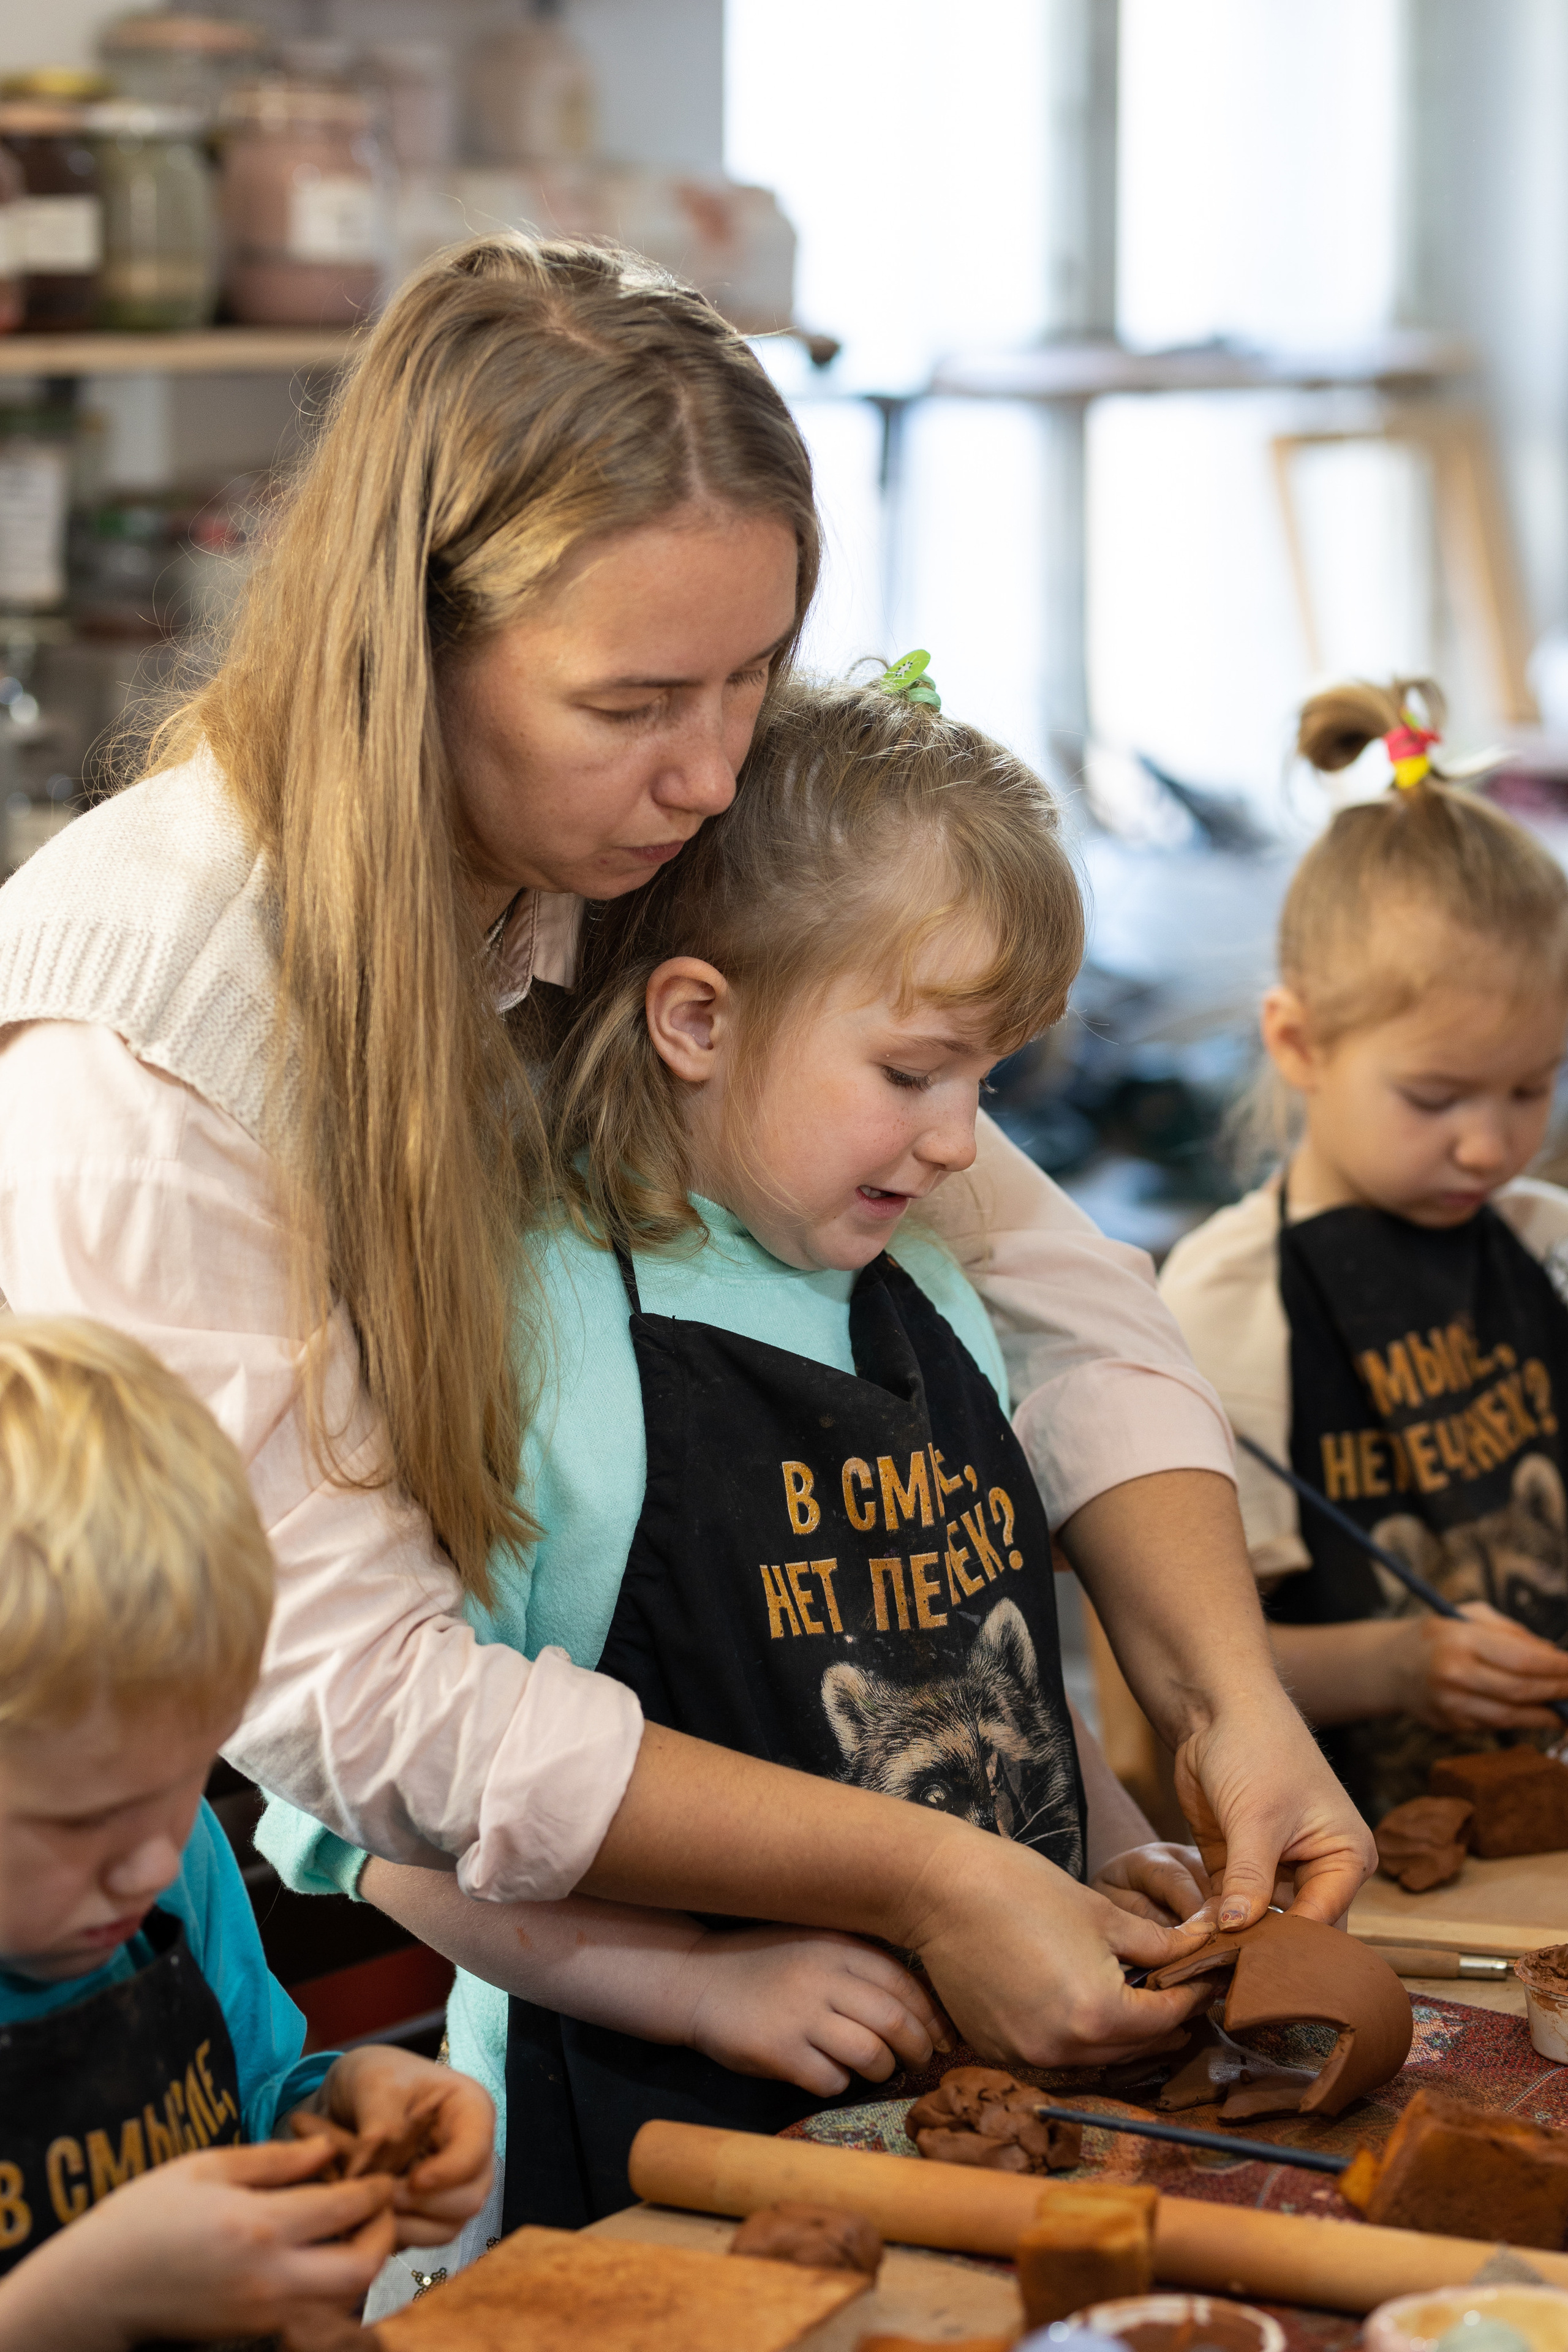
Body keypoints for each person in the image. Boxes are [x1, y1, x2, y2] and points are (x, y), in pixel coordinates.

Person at [0, 235, 1371, 2073]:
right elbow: (359, 1704)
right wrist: (924, 1879)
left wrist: (1227, 1704)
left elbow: (1056, 1299)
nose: (716, 774)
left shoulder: (621, 860)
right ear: (407, 647)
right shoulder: (147, 1028)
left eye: (752, 679)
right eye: (638, 705)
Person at [262, 671, 1226, 2255]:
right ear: (696, 1019)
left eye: (988, 1082)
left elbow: (997, 1673)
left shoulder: (929, 1289)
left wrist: (1116, 1845)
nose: (962, 1143)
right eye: (914, 1074)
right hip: (651, 2160)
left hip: (985, 2129)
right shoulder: (533, 1330)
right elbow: (378, 1837)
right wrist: (694, 1983)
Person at [0, 1317, 494, 2351]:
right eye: (84, 1820)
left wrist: (339, 2110)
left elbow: (246, 2102)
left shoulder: (173, 1865)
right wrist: (74, 2309)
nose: (153, 1862)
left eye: (182, 1786)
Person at [1161, 677, 1568, 1821]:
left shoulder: (1548, 1248)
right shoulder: (1228, 1304)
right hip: (1355, 1861)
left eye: (1533, 1087)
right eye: (1436, 1096)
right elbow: (1183, 1678)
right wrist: (1398, 1667)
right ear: (1297, 1041)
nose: (1491, 1143)